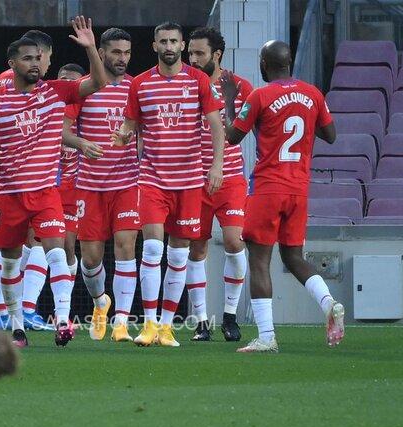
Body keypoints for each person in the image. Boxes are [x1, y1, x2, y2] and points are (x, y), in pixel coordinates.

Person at [0, 16, 108, 347]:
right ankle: (18, 326)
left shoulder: (56, 92)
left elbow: (98, 83)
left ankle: (63, 320)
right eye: (28, 58)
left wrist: (92, 47)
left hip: (44, 192)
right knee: (10, 264)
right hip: (9, 196)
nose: (35, 63)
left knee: (56, 251)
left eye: (39, 57)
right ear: (12, 63)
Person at [223, 40, 345, 353]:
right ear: (288, 62)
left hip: (268, 187)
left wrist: (228, 100)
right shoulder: (313, 93)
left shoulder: (260, 95)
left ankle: (266, 336)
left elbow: (233, 136)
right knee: (293, 257)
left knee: (259, 261)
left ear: (265, 64)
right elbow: (331, 136)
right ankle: (328, 302)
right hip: (299, 188)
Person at [112, 22, 225, 347]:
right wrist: (122, 136)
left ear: (182, 44)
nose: (169, 46)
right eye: (163, 41)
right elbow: (131, 124)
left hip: (189, 181)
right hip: (152, 179)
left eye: (174, 41)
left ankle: (165, 327)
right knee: (151, 248)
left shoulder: (199, 80)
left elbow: (216, 126)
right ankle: (148, 324)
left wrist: (215, 165)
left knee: (179, 256)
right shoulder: (142, 83)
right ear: (155, 45)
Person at [63, 28, 139, 342]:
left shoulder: (137, 87)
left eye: (127, 53)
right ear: (103, 53)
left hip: (127, 182)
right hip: (89, 185)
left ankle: (121, 321)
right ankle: (100, 302)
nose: (122, 59)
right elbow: (62, 131)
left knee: (125, 248)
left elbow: (146, 130)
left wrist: (136, 138)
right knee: (91, 258)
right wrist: (81, 143)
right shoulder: (84, 88)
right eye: (116, 52)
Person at [0, 30, 56, 332]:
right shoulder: (12, 86)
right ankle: (20, 310)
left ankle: (9, 311)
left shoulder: (3, 82)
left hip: (20, 173)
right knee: (21, 241)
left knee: (16, 241)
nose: (43, 63)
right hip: (22, 177)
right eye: (41, 56)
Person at [186, 27, 253, 342]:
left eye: (200, 53)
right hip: (191, 180)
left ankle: (229, 316)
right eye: (191, 53)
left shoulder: (240, 87)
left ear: (217, 55)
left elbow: (246, 129)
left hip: (230, 178)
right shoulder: (183, 84)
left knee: (233, 242)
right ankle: (201, 322)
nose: (194, 59)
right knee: (195, 248)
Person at [56, 63, 88, 300]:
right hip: (45, 186)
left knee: (67, 246)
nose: (67, 85)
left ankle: (63, 307)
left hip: (74, 190)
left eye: (73, 82)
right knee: (33, 244)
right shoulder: (44, 108)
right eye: (63, 80)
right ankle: (28, 309)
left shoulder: (84, 113)